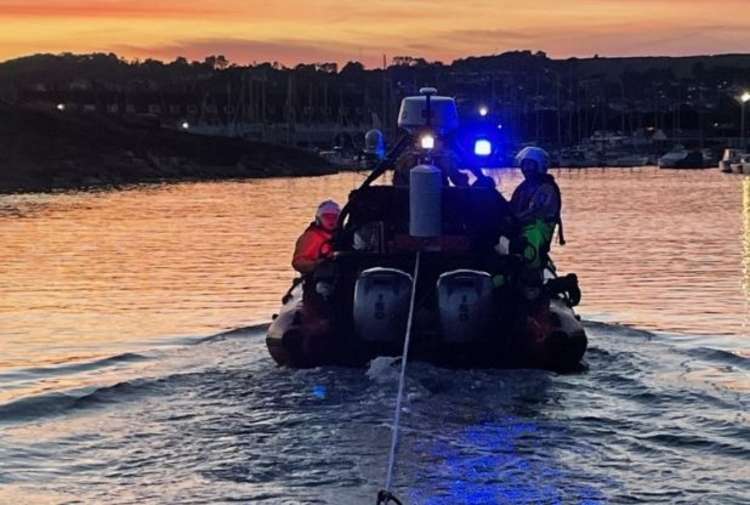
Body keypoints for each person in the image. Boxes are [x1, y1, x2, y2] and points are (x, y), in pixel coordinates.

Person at [509, 146, 565, 277]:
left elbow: (536, 212)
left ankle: (532, 272)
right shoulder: (523, 188)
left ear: (539, 166)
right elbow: (511, 207)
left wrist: (514, 220)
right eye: (524, 164)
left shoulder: (546, 188)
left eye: (530, 165)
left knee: (530, 249)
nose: (526, 169)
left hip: (536, 232)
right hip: (521, 229)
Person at [291, 200, 340, 275]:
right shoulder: (311, 237)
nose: (331, 220)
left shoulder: (343, 235)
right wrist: (317, 264)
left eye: (334, 217)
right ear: (319, 218)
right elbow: (298, 262)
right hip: (317, 279)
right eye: (326, 217)